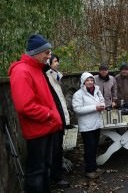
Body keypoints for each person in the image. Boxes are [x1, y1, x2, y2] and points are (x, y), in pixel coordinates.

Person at [8, 34, 62, 193]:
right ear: (36, 52)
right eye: (46, 52)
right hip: (38, 130)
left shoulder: (36, 69)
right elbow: (25, 106)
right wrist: (49, 115)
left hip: (46, 128)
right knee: (36, 173)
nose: (49, 56)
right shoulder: (22, 71)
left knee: (44, 169)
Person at [44, 54, 71, 188]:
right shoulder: (47, 76)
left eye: (57, 61)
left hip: (59, 118)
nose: (57, 63)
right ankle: (55, 177)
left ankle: (57, 175)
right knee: (54, 150)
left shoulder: (55, 76)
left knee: (58, 149)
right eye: (55, 61)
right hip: (53, 119)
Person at [72, 72, 106, 179]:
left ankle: (94, 167)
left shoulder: (97, 90)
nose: (90, 82)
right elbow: (77, 109)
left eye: (91, 80)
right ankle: (89, 170)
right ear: (83, 82)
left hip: (96, 124)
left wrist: (102, 105)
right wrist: (95, 108)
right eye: (88, 80)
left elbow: (102, 101)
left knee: (95, 147)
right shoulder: (78, 94)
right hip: (86, 126)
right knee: (89, 148)